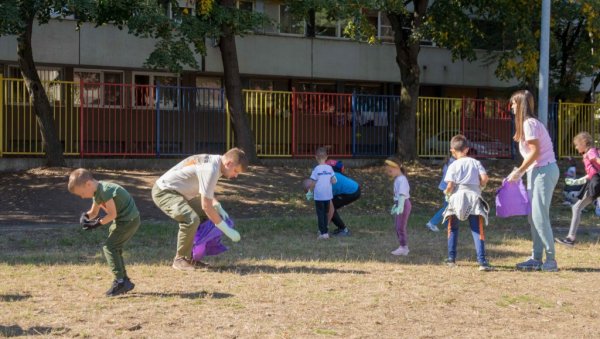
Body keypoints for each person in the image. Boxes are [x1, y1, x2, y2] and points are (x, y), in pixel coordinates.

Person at [152, 148, 248, 271]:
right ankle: (180, 259)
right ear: (229, 163)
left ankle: (192, 258)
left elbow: (206, 191)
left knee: (208, 215)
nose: (235, 175)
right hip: (164, 191)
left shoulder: (216, 162)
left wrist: (217, 206)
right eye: (235, 171)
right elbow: (206, 206)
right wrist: (227, 230)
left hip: (181, 192)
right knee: (191, 219)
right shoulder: (211, 169)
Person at [507, 90, 559, 272]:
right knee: (533, 216)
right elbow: (531, 154)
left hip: (543, 171)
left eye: (514, 103)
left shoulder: (529, 124)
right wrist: (520, 171)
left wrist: (519, 171)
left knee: (539, 216)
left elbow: (536, 153)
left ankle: (550, 260)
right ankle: (536, 257)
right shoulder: (528, 124)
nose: (511, 106)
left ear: (520, 104)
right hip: (537, 171)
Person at [68, 168, 141, 297]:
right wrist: (84, 217)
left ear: (88, 184)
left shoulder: (105, 191)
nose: (82, 196)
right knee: (114, 248)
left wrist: (96, 224)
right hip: (122, 221)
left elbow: (112, 214)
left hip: (128, 221)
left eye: (82, 193)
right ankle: (124, 280)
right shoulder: (98, 192)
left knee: (109, 247)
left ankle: (121, 281)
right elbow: (94, 213)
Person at [442, 135, 492, 271]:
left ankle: (451, 259)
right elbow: (485, 178)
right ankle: (482, 261)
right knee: (477, 229)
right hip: (474, 197)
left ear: (452, 150)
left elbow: (450, 185)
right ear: (467, 149)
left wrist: (446, 193)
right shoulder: (475, 162)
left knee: (452, 228)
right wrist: (480, 186)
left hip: (457, 197)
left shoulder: (453, 165)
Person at [556, 132, 600, 247]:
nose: (576, 147)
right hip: (594, 181)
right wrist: (577, 181)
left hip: (596, 183)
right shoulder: (588, 153)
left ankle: (570, 238)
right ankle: (570, 238)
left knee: (576, 207)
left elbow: (597, 161)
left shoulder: (591, 152)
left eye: (577, 144)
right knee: (576, 207)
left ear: (584, 143)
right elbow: (592, 172)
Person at [306, 147, 337, 239]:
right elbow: (334, 180)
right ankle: (326, 232)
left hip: (319, 196)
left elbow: (313, 183)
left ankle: (322, 233)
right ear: (327, 157)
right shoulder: (330, 168)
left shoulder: (316, 169)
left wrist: (309, 193)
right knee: (326, 213)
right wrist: (331, 180)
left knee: (320, 214)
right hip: (328, 195)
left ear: (316, 157)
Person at [384, 156, 412, 256]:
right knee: (398, 226)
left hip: (403, 204)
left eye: (390, 171)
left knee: (400, 227)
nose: (389, 173)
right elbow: (397, 195)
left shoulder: (402, 180)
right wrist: (395, 206)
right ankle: (402, 246)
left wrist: (400, 206)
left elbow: (402, 195)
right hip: (399, 204)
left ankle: (404, 247)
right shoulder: (398, 179)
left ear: (396, 168)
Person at [326, 159, 360, 237]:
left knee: (329, 208)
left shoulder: (327, 179)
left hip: (353, 191)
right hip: (353, 188)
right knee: (329, 207)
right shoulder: (329, 174)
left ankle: (344, 230)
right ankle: (340, 228)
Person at [425, 155, 456, 232]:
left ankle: (447, 226)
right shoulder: (454, 163)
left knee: (447, 206)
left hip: (446, 187)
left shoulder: (449, 161)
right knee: (448, 208)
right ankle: (432, 223)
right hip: (449, 188)